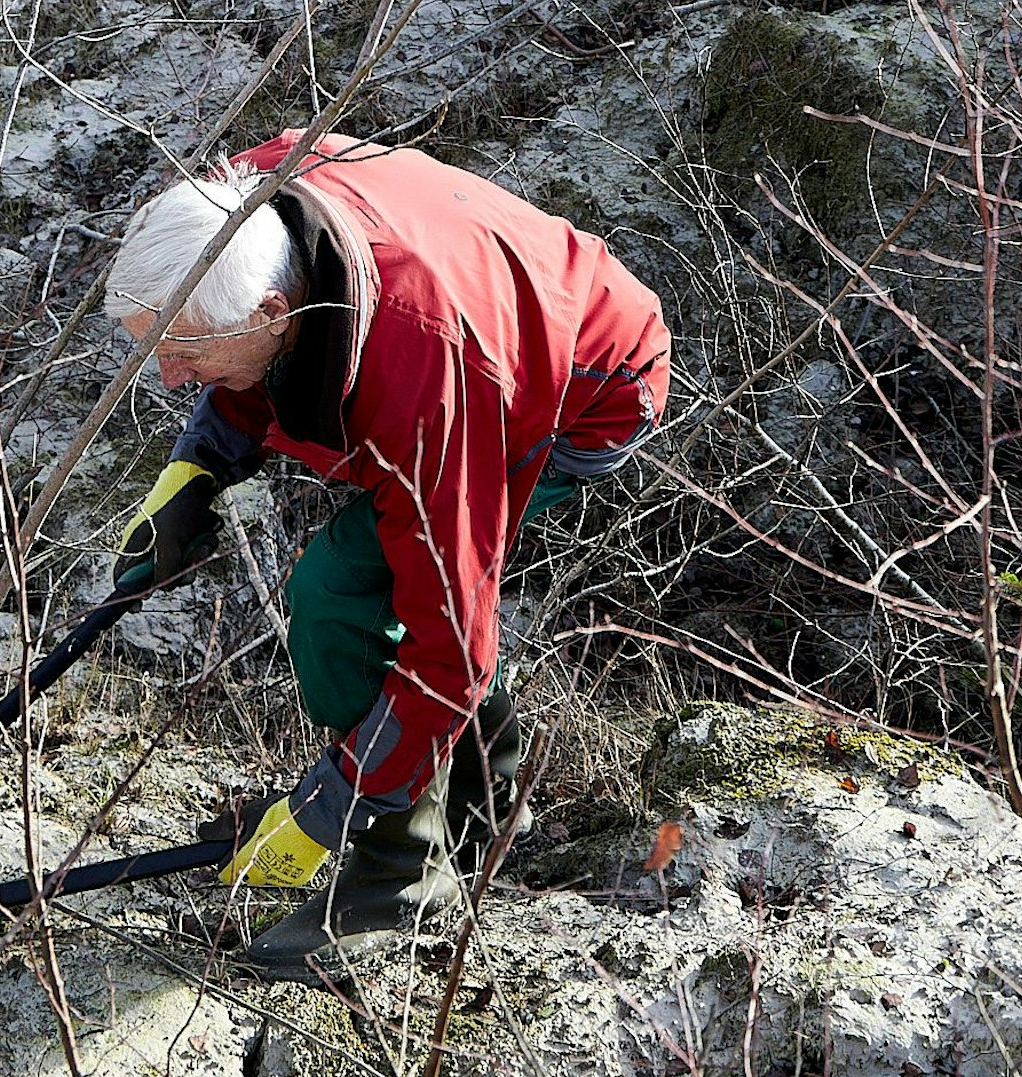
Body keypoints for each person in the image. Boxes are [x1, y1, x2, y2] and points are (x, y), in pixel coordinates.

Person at [106, 130, 671, 980]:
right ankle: (483, 796)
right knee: (367, 595)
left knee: (340, 596)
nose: (168, 377)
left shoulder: (428, 388)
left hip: (584, 385)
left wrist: (333, 803)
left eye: (183, 353)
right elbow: (264, 357)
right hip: (490, 311)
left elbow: (450, 645)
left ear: (269, 314)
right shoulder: (251, 194)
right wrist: (199, 464)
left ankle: (404, 867)